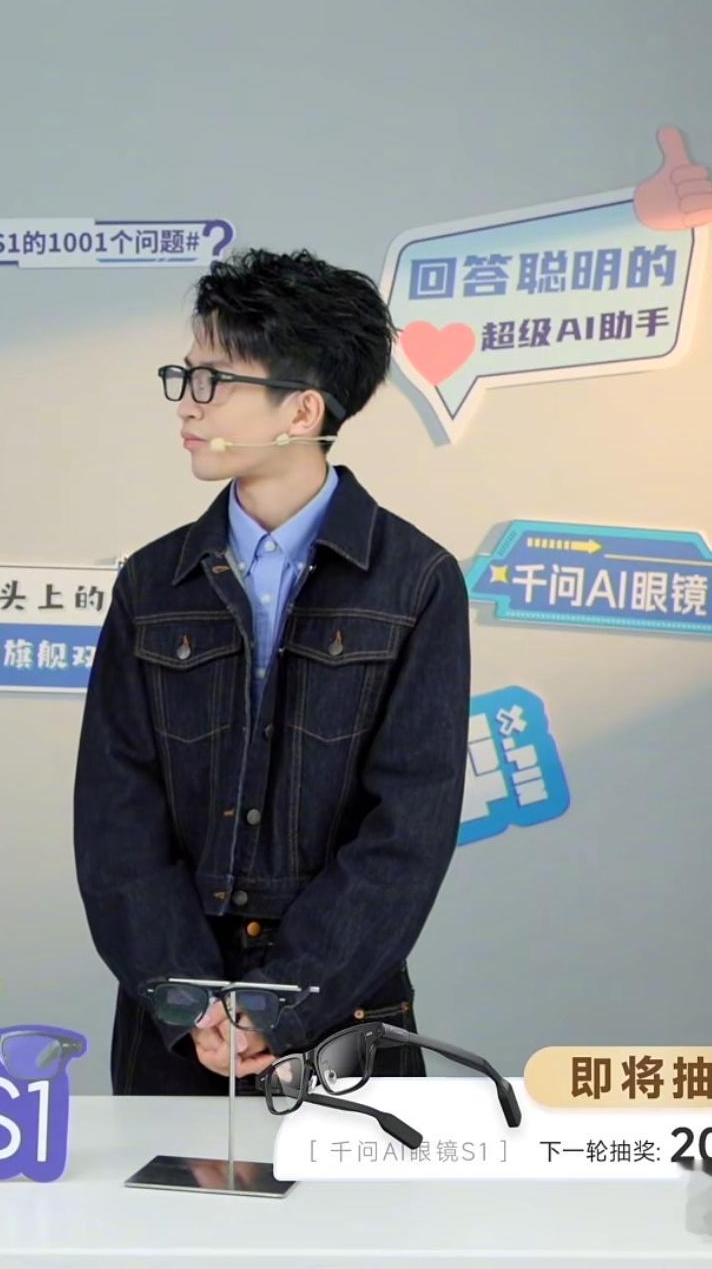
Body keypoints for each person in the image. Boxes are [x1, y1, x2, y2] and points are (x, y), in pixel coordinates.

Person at [73, 247, 471, 1095]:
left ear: (301, 410)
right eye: (185, 375)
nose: (188, 402)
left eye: (214, 380)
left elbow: (408, 830)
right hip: (176, 1029)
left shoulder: (416, 581)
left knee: (346, 1194)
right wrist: (191, 1001)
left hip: (343, 1011)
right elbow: (115, 816)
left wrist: (279, 1002)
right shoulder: (153, 582)